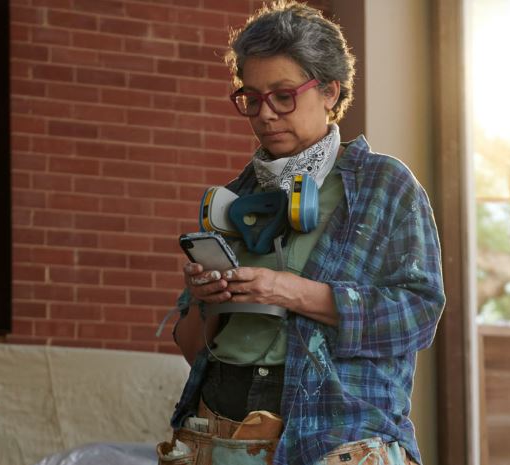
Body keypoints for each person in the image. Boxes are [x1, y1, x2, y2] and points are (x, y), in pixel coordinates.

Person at [166, 2, 445, 464]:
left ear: (331, 91)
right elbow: (192, 347)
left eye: (283, 95)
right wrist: (206, 299)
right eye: (251, 98)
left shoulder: (383, 186)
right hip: (220, 440)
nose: (265, 114)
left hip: (338, 442)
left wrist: (294, 292)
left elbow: (418, 315)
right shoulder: (234, 198)